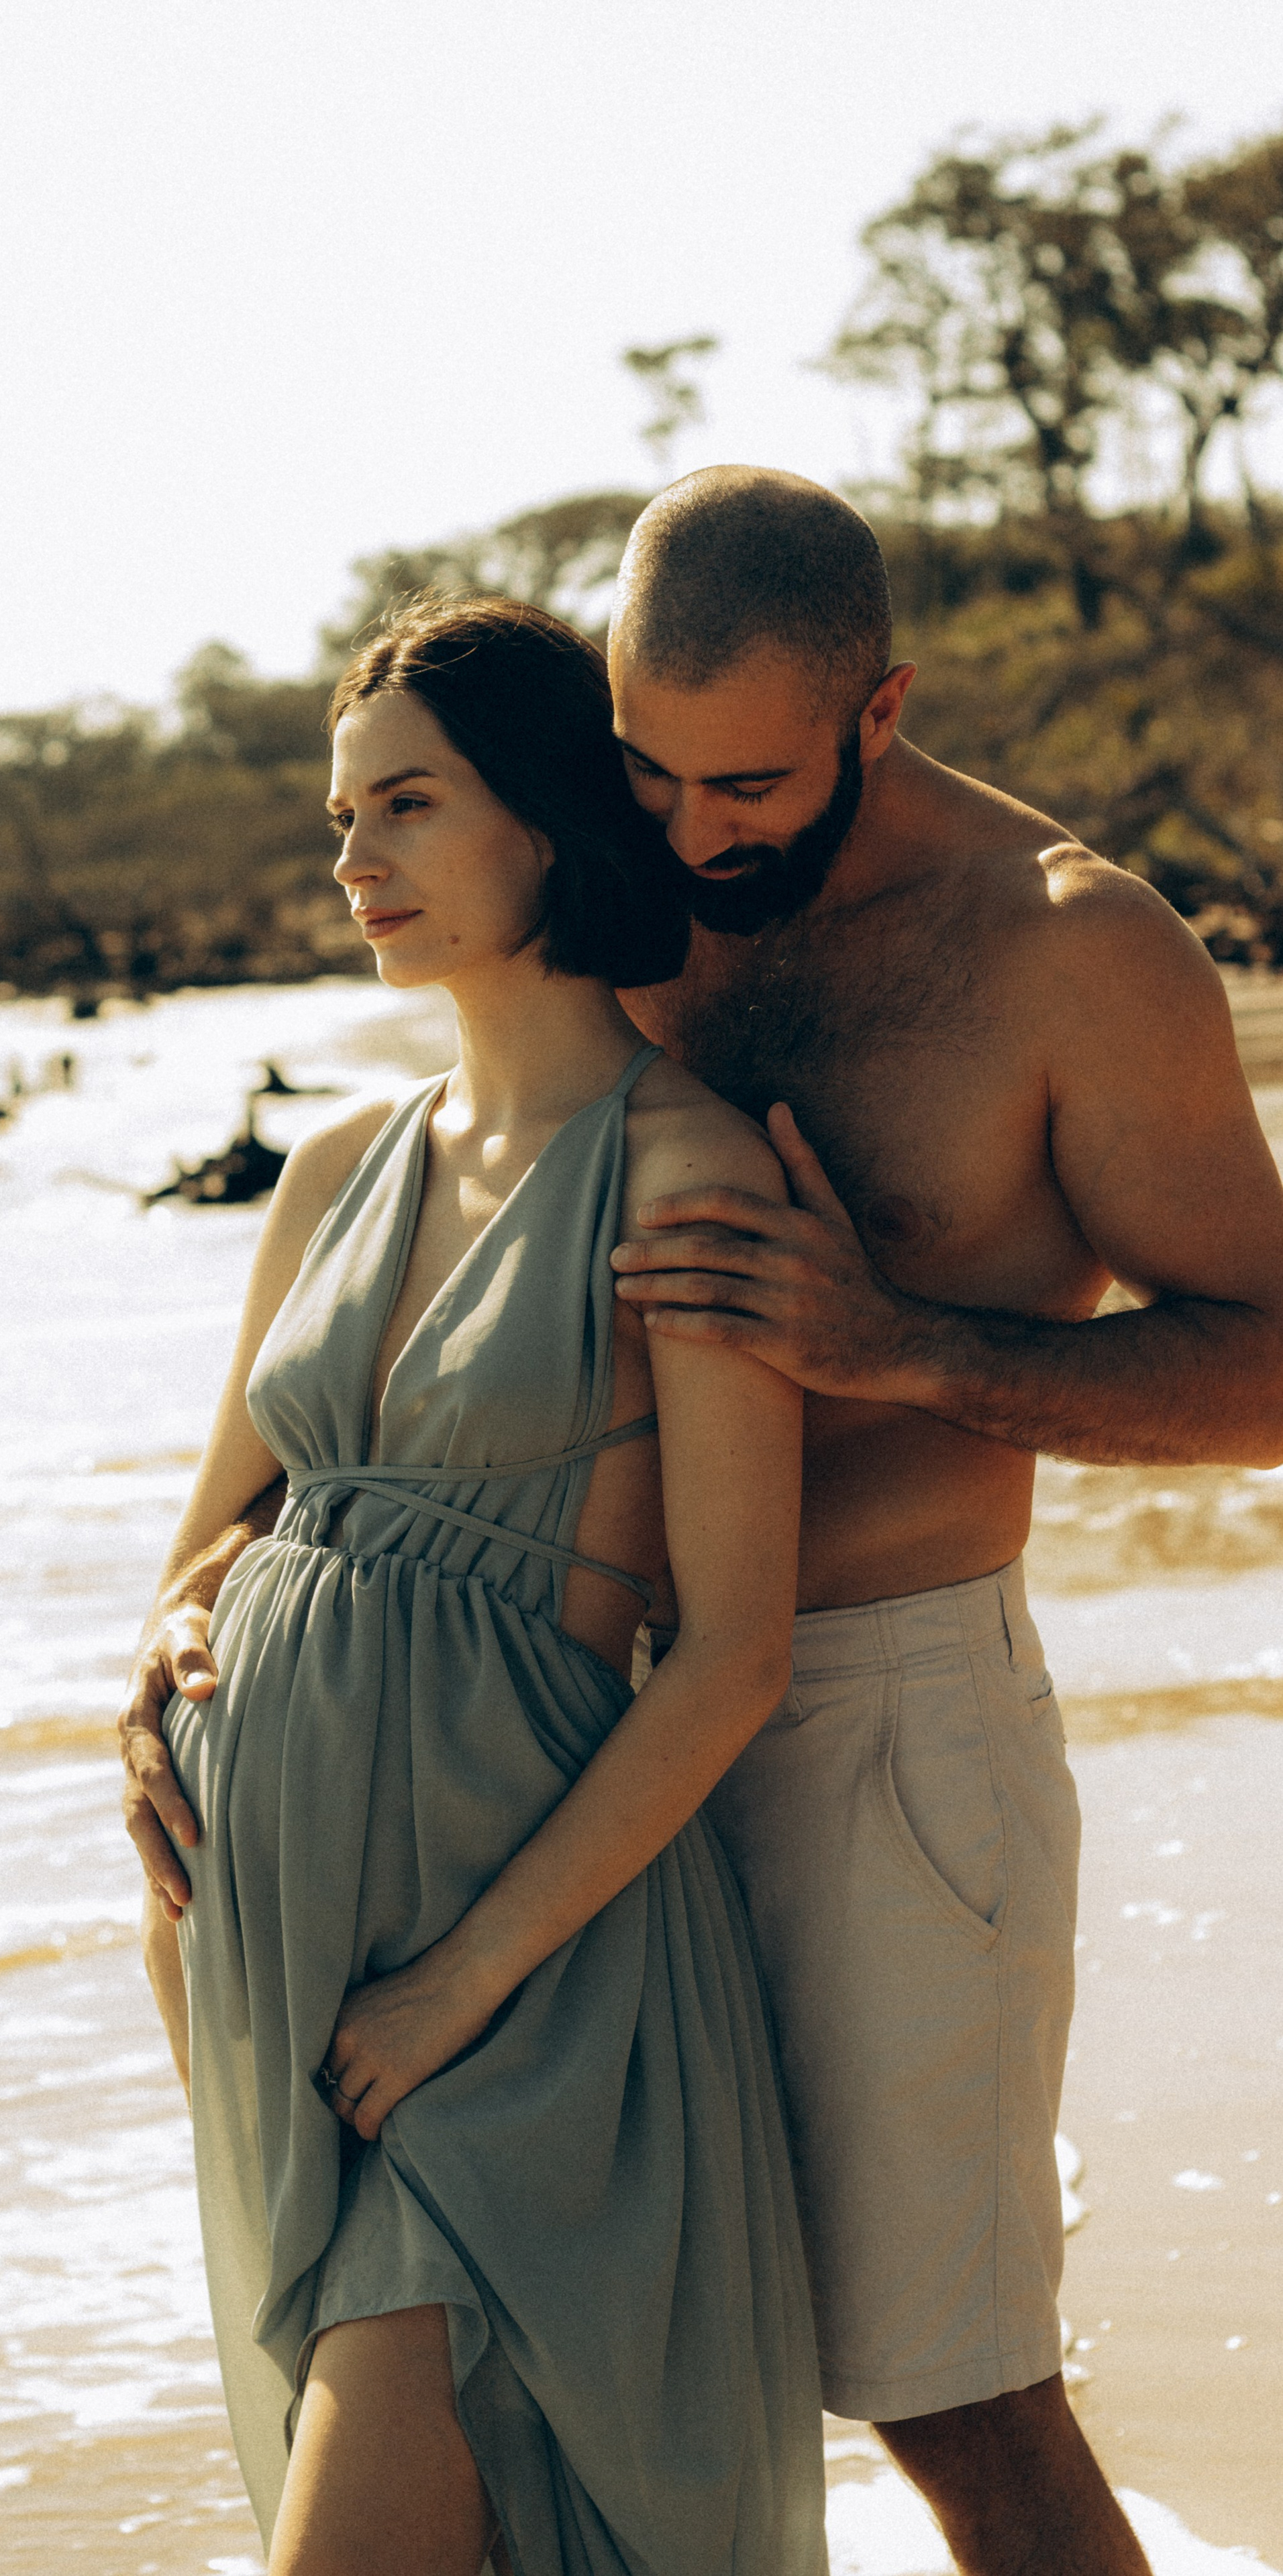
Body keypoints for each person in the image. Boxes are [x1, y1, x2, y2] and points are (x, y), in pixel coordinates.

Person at [596, 467, 1283, 2575]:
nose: (690, 831)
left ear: (882, 712)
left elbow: (1268, 1363)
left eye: (746, 782)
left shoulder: (1065, 946)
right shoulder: (599, 884)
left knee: (955, 2401)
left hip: (885, 1734)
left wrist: (908, 1347)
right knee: (599, 2357)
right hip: (592, 1711)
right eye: (643, 765)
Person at [126, 598, 829, 2576]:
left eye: (407, 808)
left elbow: (735, 1649)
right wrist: (161, 1672)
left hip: (518, 1983)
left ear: (543, 818)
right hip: (276, 1970)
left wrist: (459, 1983)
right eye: (343, 819)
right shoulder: (334, 1167)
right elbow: (216, 1533)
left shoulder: (684, 1173)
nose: (356, 862)